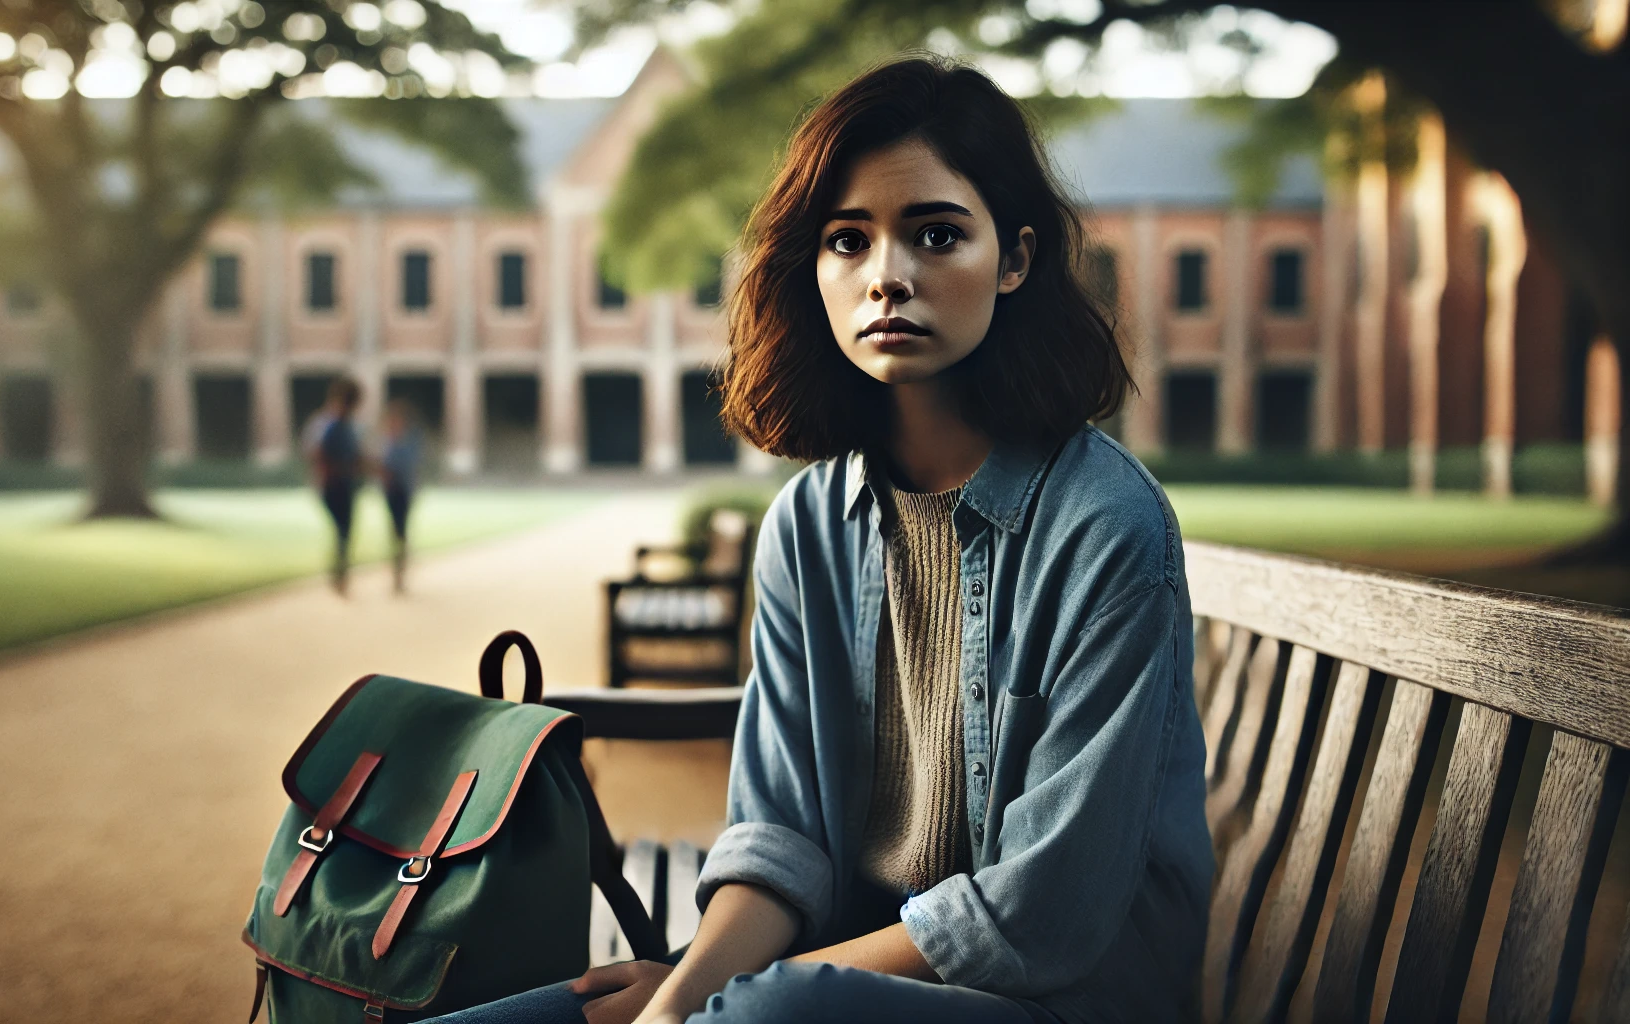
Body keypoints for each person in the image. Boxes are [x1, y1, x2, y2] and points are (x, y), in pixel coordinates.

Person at [423, 54, 1212, 1024]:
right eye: (848, 241)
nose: (887, 276)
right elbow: (780, 832)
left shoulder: (1104, 528)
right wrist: (682, 997)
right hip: (835, 970)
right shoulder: (808, 520)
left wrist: (744, 993)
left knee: (764, 1015)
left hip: (1056, 997)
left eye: (934, 234)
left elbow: (1041, 911)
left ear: (1014, 258)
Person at [309, 376, 364, 596]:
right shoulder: (331, 425)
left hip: (344, 484)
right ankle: (339, 576)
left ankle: (340, 575)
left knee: (344, 533)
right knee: (343, 531)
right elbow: (318, 454)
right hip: (336, 485)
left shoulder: (344, 425)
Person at [378, 397, 423, 594]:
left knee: (401, 531)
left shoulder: (407, 443)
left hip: (403, 491)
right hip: (391, 491)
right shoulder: (387, 442)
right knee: (395, 531)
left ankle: (400, 572)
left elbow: (410, 467)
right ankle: (397, 572)